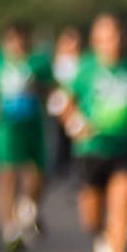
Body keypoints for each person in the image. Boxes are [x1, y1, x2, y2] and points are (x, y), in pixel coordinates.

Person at [55, 12, 127, 252]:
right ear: (96, 41)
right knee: (91, 218)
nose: (114, 42)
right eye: (107, 37)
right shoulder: (84, 69)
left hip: (126, 149)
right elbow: (62, 102)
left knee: (123, 207)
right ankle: (101, 242)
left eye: (117, 36)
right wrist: (75, 124)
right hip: (91, 150)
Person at [0, 23, 56, 252]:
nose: (16, 45)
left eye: (20, 39)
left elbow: (52, 91)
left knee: (38, 174)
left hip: (33, 126)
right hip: (8, 128)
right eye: (11, 40)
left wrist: (37, 86)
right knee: (7, 177)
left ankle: (28, 209)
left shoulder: (39, 63)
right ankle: (10, 231)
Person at [48, 26, 83, 180]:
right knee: (61, 134)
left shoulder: (82, 62)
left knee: (74, 134)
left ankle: (76, 164)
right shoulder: (58, 61)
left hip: (76, 104)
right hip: (60, 103)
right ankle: (61, 164)